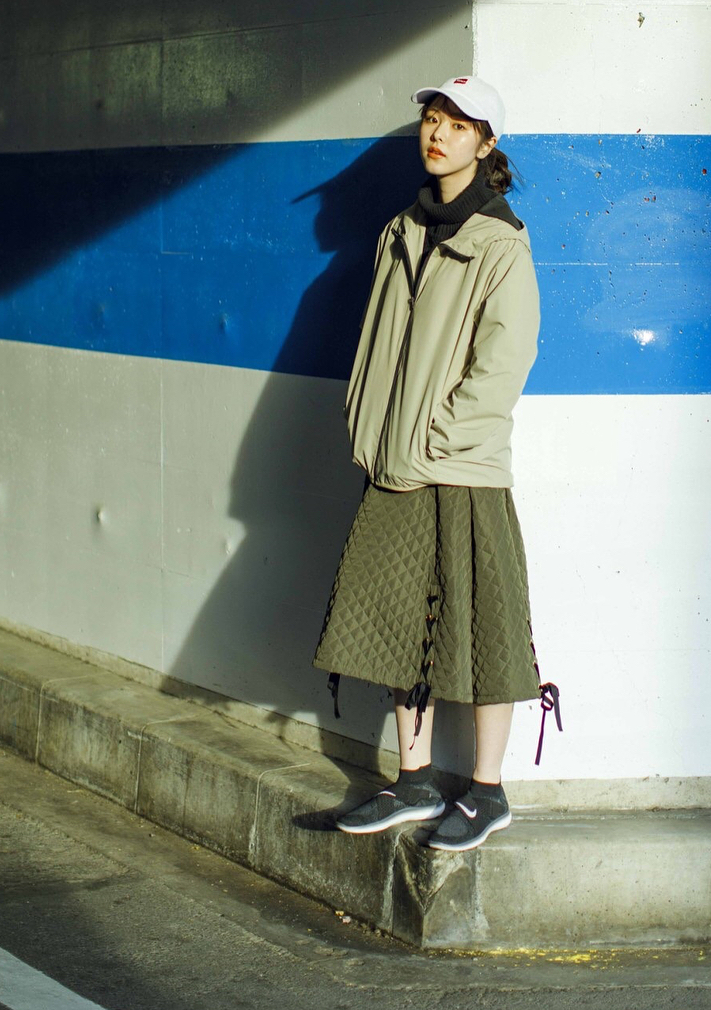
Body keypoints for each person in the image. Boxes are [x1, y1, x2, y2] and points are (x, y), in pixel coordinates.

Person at [312, 75, 560, 852]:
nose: (438, 133)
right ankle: (414, 780)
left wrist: (436, 441)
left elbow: (505, 361)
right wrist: (371, 427)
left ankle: (488, 792)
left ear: (486, 144)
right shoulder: (403, 230)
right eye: (433, 119)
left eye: (458, 124)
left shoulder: (499, 241)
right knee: (398, 623)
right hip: (395, 463)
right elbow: (375, 343)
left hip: (460, 469)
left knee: (485, 628)